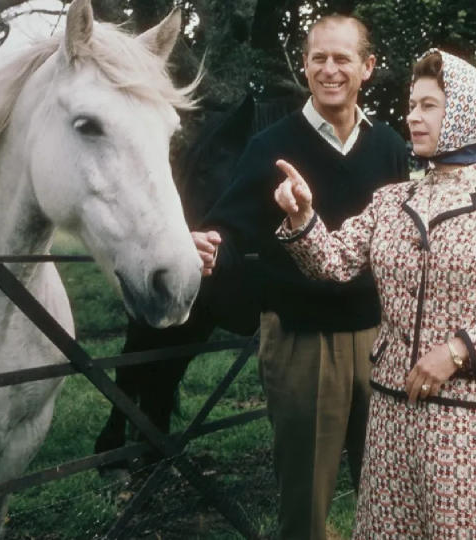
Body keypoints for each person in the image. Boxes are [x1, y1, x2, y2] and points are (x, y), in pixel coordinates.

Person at [272, 49, 476, 538]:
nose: (412, 116)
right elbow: (333, 262)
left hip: (472, 424)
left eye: (429, 105)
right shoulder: (392, 199)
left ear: (467, 114)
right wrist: (302, 216)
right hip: (391, 414)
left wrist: (458, 351)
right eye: (411, 104)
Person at [191, 14, 410, 540]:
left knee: (388, 494)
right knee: (306, 504)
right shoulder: (272, 145)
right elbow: (230, 225)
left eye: (342, 58)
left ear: (367, 68)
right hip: (302, 342)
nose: (330, 69)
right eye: (319, 58)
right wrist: (206, 242)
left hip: (380, 341)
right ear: (305, 66)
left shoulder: (389, 148)